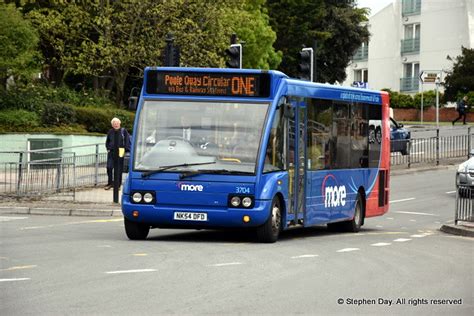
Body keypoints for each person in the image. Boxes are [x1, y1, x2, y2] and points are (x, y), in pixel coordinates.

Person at [105, 117, 131, 190]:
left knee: (119, 169)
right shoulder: (110, 131)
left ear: (119, 123)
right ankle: (110, 183)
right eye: (114, 123)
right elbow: (107, 142)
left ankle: (117, 185)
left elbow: (127, 141)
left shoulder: (123, 131)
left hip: (120, 151)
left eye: (117, 123)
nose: (116, 124)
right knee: (109, 167)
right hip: (111, 151)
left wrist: (125, 149)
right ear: (112, 125)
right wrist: (108, 149)